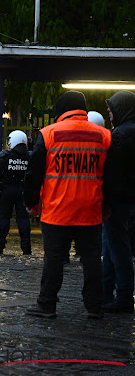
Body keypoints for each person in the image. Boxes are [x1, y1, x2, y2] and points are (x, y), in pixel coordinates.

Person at [24, 91, 111, 319]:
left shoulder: (49, 134)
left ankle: (47, 304)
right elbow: (110, 177)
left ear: (61, 109)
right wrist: (106, 205)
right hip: (90, 210)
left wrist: (31, 203)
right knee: (92, 258)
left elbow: (33, 174)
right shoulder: (104, 136)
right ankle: (95, 306)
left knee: (54, 258)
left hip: (56, 211)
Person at [101, 90, 135, 313]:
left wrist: (105, 201)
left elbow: (111, 173)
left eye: (112, 108)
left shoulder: (119, 136)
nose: (109, 112)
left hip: (118, 200)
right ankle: (109, 292)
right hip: (129, 199)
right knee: (115, 244)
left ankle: (121, 296)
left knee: (117, 247)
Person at [0, 130, 31, 255]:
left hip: (7, 190)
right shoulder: (29, 156)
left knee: (4, 218)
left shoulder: (5, 156)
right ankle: (26, 248)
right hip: (23, 190)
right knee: (23, 219)